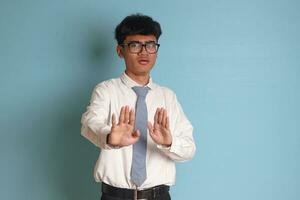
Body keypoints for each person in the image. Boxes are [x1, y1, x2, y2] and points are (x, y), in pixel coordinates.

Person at [81, 13, 196, 200]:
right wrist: (110, 136)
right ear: (120, 51)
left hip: (158, 196)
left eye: (150, 45)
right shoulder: (106, 90)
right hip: (115, 196)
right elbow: (89, 124)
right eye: (135, 45)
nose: (144, 52)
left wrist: (169, 142)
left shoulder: (167, 97)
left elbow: (189, 149)